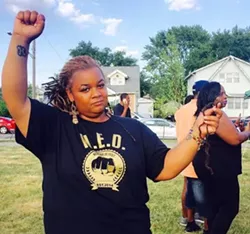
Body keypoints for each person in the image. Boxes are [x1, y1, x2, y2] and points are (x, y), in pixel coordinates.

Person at [1, 10, 222, 234]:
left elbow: (164, 167)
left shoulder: (132, 128)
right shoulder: (55, 127)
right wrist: (20, 39)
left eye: (99, 85)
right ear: (70, 94)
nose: (96, 93)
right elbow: (15, 99)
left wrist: (197, 134)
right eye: (85, 89)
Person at [193, 81, 250, 234]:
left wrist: (234, 127)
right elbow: (236, 139)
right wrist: (248, 130)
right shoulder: (217, 113)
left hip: (206, 165)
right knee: (230, 208)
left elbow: (224, 134)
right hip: (220, 167)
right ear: (213, 96)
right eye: (222, 93)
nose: (226, 96)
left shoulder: (203, 112)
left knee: (215, 205)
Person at [175, 81, 209, 233]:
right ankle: (206, 223)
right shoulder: (203, 109)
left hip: (183, 153)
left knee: (188, 189)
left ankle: (188, 219)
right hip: (199, 155)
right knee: (204, 193)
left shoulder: (181, 110)